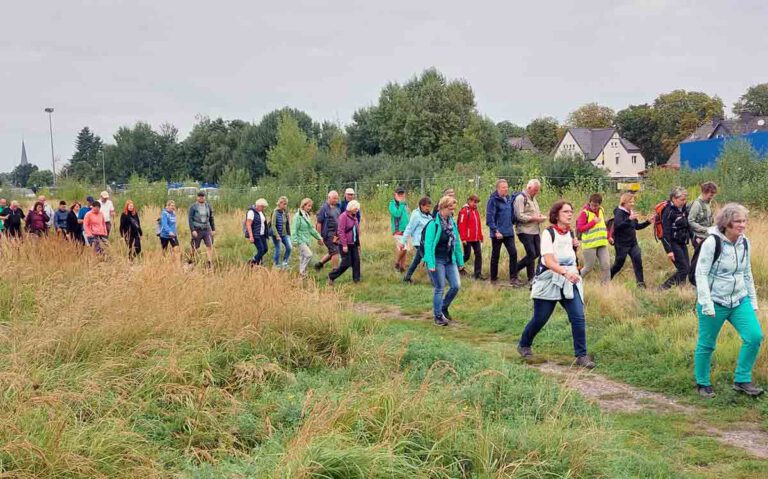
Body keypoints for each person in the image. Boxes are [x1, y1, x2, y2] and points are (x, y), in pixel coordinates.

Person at [694, 203, 763, 398]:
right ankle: (702, 383)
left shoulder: (745, 242)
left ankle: (742, 380)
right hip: (714, 301)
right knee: (707, 344)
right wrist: (706, 304)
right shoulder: (712, 243)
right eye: (738, 221)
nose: (742, 225)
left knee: (754, 336)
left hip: (739, 300)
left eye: (744, 221)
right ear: (726, 223)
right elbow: (701, 274)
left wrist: (753, 301)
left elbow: (746, 273)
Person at [518, 201, 595, 369]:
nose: (570, 214)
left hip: (570, 280)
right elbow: (549, 260)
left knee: (578, 317)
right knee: (540, 318)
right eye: (566, 211)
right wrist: (565, 272)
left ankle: (581, 356)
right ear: (556, 214)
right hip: (549, 280)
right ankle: (524, 344)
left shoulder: (571, 233)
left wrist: (574, 252)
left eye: (571, 211)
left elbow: (570, 258)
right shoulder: (548, 233)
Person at [423, 195, 464, 326]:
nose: (453, 211)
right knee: (440, 287)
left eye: (454, 208)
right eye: (450, 208)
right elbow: (428, 245)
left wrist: (460, 261)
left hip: (449, 259)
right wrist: (430, 263)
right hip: (437, 259)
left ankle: (443, 306)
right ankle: (438, 316)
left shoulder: (452, 223)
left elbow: (456, 243)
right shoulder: (433, 224)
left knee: (456, 286)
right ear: (443, 208)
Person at [486, 179, 524, 287]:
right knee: (495, 256)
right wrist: (496, 231)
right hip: (498, 234)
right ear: (498, 188)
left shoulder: (508, 199)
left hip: (508, 232)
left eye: (507, 187)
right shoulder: (493, 200)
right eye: (503, 187)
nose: (506, 189)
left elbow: (511, 213)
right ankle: (493, 279)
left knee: (513, 253)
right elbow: (489, 218)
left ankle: (513, 278)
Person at [610, 193, 652, 287]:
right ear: (624, 202)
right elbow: (618, 226)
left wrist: (648, 222)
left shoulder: (631, 212)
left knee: (638, 262)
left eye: (633, 201)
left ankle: (641, 285)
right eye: (630, 202)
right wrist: (629, 219)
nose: (633, 204)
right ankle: (607, 279)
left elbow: (636, 226)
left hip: (633, 243)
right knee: (618, 264)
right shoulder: (619, 212)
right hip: (621, 244)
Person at [660, 187, 691, 290]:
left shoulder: (683, 208)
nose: (684, 202)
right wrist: (669, 251)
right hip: (673, 243)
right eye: (682, 199)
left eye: (685, 199)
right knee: (683, 269)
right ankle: (663, 288)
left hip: (681, 242)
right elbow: (665, 233)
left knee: (686, 267)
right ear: (674, 198)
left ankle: (680, 290)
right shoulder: (668, 211)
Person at [515, 179, 546, 283]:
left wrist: (540, 217)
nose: (536, 192)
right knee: (531, 253)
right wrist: (535, 218)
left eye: (538, 190)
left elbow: (535, 212)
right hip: (524, 230)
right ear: (529, 188)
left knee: (537, 252)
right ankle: (515, 269)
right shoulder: (520, 198)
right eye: (535, 190)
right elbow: (519, 216)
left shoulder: (533, 198)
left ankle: (531, 276)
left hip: (535, 230)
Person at [576, 193, 610, 284]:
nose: (594, 207)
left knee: (606, 265)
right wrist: (592, 222)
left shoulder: (601, 210)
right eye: (592, 205)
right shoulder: (585, 213)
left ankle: (606, 287)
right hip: (589, 245)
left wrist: (609, 236)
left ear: (600, 205)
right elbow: (580, 228)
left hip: (602, 243)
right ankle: (574, 281)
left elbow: (603, 225)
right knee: (588, 267)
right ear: (589, 202)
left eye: (596, 205)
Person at [401, 196, 433, 283]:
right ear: (421, 206)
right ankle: (434, 281)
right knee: (428, 259)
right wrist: (403, 241)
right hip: (419, 242)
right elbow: (409, 228)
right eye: (426, 206)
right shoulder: (416, 215)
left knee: (416, 260)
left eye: (429, 206)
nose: (428, 208)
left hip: (427, 242)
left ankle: (407, 278)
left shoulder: (429, 216)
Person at [328, 200, 361, 284]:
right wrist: (344, 245)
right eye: (356, 208)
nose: (357, 210)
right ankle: (332, 276)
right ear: (351, 208)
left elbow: (356, 232)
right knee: (346, 263)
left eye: (357, 209)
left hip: (353, 243)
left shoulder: (355, 217)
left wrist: (358, 245)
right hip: (345, 244)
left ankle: (356, 280)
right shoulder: (343, 216)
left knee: (356, 262)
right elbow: (341, 231)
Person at [291, 198, 324, 278]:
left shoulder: (306, 215)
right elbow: (294, 229)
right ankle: (302, 272)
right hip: (299, 240)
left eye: (311, 206)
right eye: (308, 206)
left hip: (306, 240)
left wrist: (319, 238)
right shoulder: (297, 216)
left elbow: (311, 229)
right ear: (304, 205)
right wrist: (294, 241)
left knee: (303, 257)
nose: (310, 208)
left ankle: (302, 276)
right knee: (309, 254)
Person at [458, 194, 485, 280]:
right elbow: (461, 225)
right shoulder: (464, 211)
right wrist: (463, 238)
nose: (475, 204)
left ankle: (478, 274)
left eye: (476, 202)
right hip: (467, 238)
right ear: (469, 201)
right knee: (467, 255)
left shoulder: (475, 211)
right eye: (474, 202)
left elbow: (478, 225)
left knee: (478, 254)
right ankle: (456, 267)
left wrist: (480, 236)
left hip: (476, 238)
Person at [314, 191, 341, 270]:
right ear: (328, 198)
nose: (336, 200)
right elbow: (319, 223)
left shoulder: (337, 207)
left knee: (333, 251)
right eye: (334, 198)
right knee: (335, 252)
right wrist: (319, 237)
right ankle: (334, 272)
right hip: (327, 234)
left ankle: (319, 265)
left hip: (336, 234)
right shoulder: (324, 208)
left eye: (337, 198)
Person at [188, 191, 215, 267]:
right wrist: (192, 230)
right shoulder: (193, 207)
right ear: (197, 197)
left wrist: (213, 229)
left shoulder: (208, 206)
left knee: (209, 245)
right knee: (195, 247)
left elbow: (211, 218)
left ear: (204, 197)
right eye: (199, 196)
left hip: (206, 229)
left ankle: (209, 262)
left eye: (202, 196)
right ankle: (191, 261)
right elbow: (190, 219)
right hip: (197, 229)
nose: (201, 198)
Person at [688, 182, 718, 247]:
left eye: (713, 195)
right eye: (711, 194)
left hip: (707, 236)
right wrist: (704, 229)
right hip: (699, 237)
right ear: (704, 192)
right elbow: (690, 221)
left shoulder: (709, 203)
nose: (712, 197)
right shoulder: (697, 204)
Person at [390, 187, 409, 272]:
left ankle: (402, 268)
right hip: (398, 231)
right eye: (399, 194)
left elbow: (407, 216)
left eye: (402, 193)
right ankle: (397, 262)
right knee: (403, 248)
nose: (401, 195)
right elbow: (397, 214)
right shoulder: (392, 204)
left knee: (406, 250)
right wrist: (401, 204)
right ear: (395, 194)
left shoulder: (405, 204)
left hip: (406, 230)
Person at [246, 198, 269, 266]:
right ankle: (254, 263)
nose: (263, 208)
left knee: (265, 249)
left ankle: (254, 261)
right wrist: (251, 236)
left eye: (264, 207)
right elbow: (248, 224)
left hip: (262, 234)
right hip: (255, 234)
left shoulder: (261, 212)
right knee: (261, 250)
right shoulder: (251, 212)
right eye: (263, 206)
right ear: (258, 205)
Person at [270, 196, 292, 269]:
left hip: (284, 233)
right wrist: (277, 235)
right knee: (278, 248)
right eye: (284, 204)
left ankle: (285, 263)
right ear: (280, 203)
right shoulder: (275, 212)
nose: (285, 205)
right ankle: (276, 265)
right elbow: (273, 225)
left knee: (289, 247)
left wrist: (289, 219)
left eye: (286, 204)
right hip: (276, 234)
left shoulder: (285, 211)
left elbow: (287, 223)